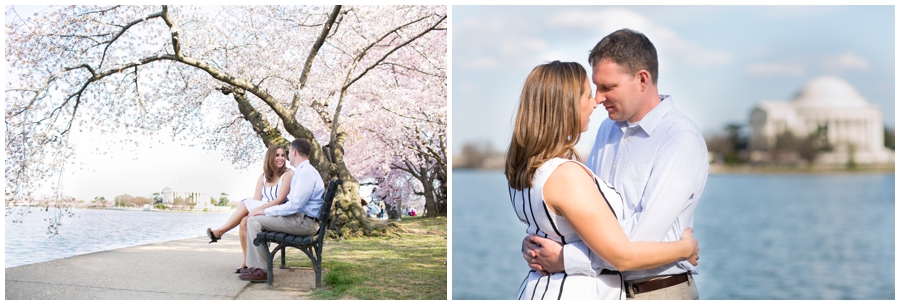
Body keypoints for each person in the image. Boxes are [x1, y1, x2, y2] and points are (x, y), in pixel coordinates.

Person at [523, 29, 709, 300]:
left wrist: (565, 258)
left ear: (642, 79)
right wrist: (542, 242)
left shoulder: (680, 138)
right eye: (596, 88)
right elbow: (588, 218)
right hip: (606, 291)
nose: (598, 98)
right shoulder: (607, 131)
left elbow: (639, 238)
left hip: (657, 292)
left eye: (607, 87)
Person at [239, 138, 325, 282]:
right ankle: (257, 266)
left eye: (288, 152)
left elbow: (294, 205)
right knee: (254, 219)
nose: (287, 155)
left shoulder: (305, 173)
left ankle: (261, 270)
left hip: (304, 222)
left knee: (253, 221)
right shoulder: (305, 171)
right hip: (302, 219)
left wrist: (265, 211)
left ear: (295, 152)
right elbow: (293, 204)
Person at [207, 145, 293, 274]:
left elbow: (280, 199)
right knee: (244, 221)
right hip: (266, 211)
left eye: (282, 155)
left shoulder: (288, 173)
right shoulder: (263, 177)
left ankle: (220, 232)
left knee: (246, 205)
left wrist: (259, 209)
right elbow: (256, 200)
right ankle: (247, 262)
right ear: (270, 157)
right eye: (277, 155)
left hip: (279, 212)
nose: (281, 158)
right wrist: (255, 211)